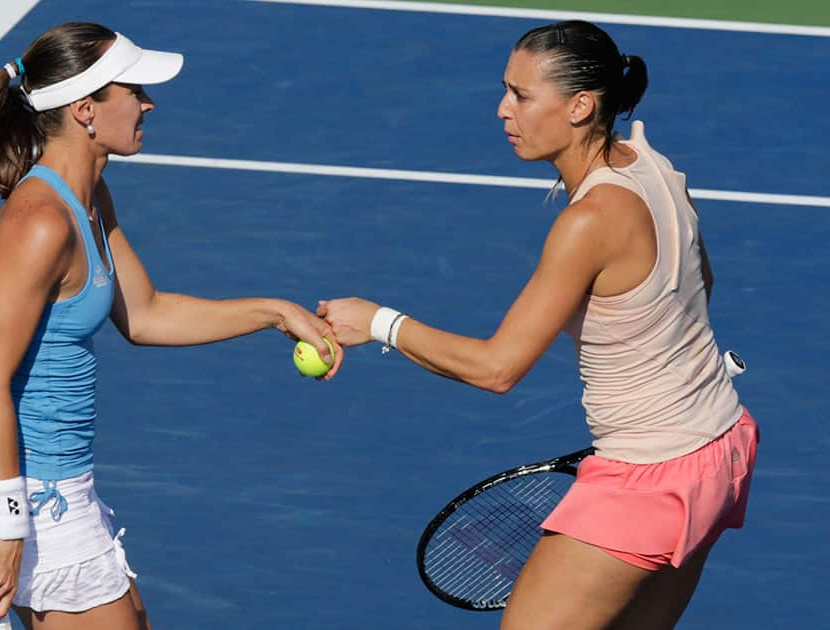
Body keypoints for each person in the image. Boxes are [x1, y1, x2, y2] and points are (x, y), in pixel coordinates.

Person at [318, 20, 758, 630]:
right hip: (719, 452)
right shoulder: (652, 165)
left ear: (580, 107)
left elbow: (499, 368)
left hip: (647, 480)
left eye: (522, 96)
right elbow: (700, 280)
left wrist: (379, 322)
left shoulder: (589, 221)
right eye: (506, 89)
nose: (503, 109)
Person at [0, 22, 341, 630]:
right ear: (86, 109)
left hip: (54, 478)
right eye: (134, 91)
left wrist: (276, 312)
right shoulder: (40, 224)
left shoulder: (88, 195)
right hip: (23, 487)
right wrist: (8, 529)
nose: (148, 103)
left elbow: (144, 314)